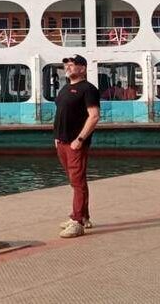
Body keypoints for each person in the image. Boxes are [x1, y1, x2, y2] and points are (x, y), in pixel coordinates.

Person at [54, 55, 100, 238]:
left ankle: (77, 222)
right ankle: (83, 216)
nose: (68, 67)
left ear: (82, 68)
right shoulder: (66, 88)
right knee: (76, 180)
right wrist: (56, 137)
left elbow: (94, 116)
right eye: (67, 64)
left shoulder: (88, 89)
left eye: (72, 64)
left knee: (77, 181)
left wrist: (80, 139)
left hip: (75, 143)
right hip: (62, 142)